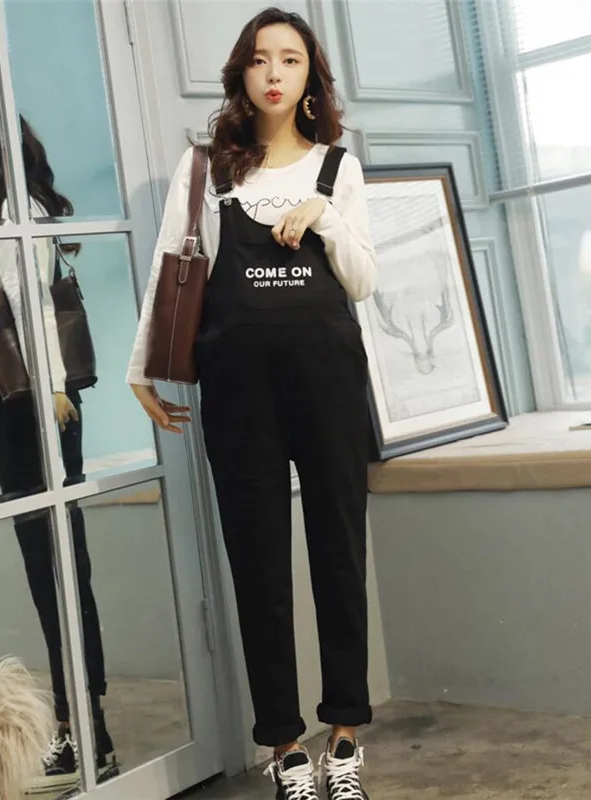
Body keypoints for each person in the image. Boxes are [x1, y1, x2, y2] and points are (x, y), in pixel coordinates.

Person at [128, 8, 378, 800]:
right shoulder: (206, 169)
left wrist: (324, 217)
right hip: (239, 392)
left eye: (291, 60)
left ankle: (345, 737)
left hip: (328, 384)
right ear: (241, 72)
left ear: (310, 79)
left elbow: (363, 282)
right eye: (260, 59)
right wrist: (143, 367)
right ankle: (286, 747)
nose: (275, 73)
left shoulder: (338, 168)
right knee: (258, 558)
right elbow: (171, 267)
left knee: (339, 549)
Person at [0, 104, 118, 793]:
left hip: (32, 412)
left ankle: (84, 732)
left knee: (57, 570)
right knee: (52, 566)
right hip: (22, 413)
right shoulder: (9, 216)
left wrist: (53, 393)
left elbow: (35, 304)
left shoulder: (22, 213)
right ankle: (81, 729)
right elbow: (12, 287)